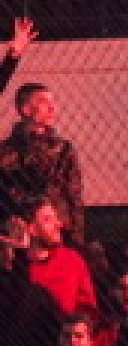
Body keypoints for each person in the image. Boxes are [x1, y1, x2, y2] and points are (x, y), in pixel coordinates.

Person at [0, 84, 83, 242]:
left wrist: (77, 237)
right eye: (43, 101)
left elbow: (74, 195)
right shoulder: (7, 152)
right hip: (23, 229)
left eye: (52, 102)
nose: (52, 108)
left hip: (60, 229)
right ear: (26, 109)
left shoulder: (63, 149)